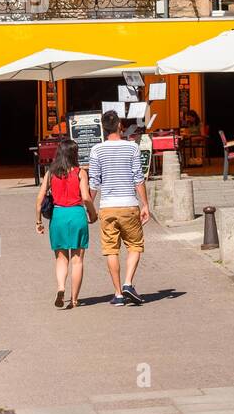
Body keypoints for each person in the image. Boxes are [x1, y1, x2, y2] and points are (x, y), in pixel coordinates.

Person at [88, 110, 150, 307]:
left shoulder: (96, 150)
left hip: (107, 206)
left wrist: (89, 206)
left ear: (103, 128)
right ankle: (128, 283)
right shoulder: (132, 148)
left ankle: (118, 294)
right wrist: (145, 204)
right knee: (135, 245)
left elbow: (94, 182)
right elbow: (138, 178)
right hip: (129, 204)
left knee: (111, 250)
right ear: (119, 126)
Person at [34, 139, 92, 310]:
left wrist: (38, 222)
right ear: (74, 153)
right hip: (76, 215)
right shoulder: (80, 172)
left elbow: (39, 200)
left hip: (58, 215)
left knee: (60, 258)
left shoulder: (50, 173)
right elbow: (86, 197)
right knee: (77, 260)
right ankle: (74, 299)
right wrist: (93, 214)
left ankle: (61, 287)